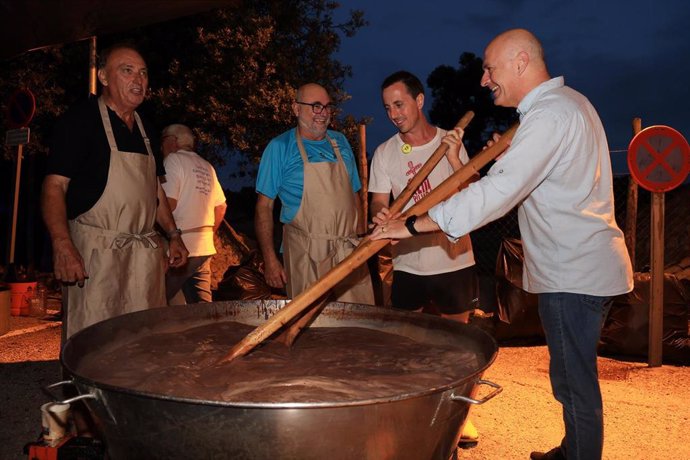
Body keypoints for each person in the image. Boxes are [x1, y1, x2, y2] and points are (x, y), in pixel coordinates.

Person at [370, 29, 634, 460]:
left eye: (490, 68)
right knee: (571, 377)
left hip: (574, 274)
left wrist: (415, 226)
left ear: (521, 61)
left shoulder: (549, 116)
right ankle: (572, 450)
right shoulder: (567, 107)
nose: (483, 79)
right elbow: (539, 182)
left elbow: (497, 194)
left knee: (575, 383)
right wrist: (509, 161)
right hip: (580, 268)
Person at [42, 43, 189, 342]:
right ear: (104, 77)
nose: (139, 80)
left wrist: (173, 236)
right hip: (96, 254)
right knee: (93, 343)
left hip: (143, 259)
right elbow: (54, 186)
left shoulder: (147, 129)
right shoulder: (80, 120)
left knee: (144, 339)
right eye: (127, 70)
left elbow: (154, 191)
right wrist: (62, 245)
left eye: (144, 73)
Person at [369, 71, 480, 445]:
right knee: (405, 341)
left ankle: (461, 415)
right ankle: (408, 410)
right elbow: (379, 201)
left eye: (399, 104)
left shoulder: (452, 141)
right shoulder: (385, 152)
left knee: (459, 342)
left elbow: (473, 196)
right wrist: (381, 214)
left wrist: (453, 156)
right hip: (409, 263)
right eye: (387, 107)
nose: (393, 113)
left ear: (419, 101)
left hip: (453, 258)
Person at [255, 83, 374, 304]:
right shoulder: (279, 147)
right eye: (315, 106)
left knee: (359, 325)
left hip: (348, 252)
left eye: (327, 107)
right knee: (313, 328)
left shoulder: (341, 142)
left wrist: (361, 240)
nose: (323, 113)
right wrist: (270, 259)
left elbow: (354, 193)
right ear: (296, 108)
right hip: (306, 254)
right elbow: (264, 207)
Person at [160, 124, 227, 304]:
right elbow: (221, 207)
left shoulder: (173, 161)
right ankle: (210, 332)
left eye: (163, 140)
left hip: (180, 248)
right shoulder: (207, 166)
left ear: (173, 141)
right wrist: (208, 233)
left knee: (158, 300)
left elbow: (168, 204)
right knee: (202, 306)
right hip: (204, 247)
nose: (160, 146)